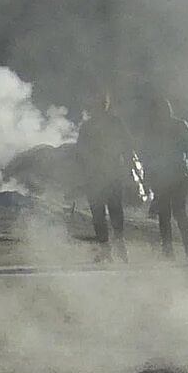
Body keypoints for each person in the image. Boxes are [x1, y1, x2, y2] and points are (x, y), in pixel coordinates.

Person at [79, 91, 136, 263]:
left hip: (112, 174)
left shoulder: (116, 123)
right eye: (99, 102)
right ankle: (105, 248)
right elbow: (80, 152)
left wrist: (129, 167)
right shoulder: (87, 127)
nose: (102, 105)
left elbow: (127, 146)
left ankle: (119, 245)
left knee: (115, 210)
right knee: (98, 213)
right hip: (94, 175)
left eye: (104, 102)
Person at [140, 98, 188, 260]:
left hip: (178, 175)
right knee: (166, 213)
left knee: (178, 212)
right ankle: (170, 249)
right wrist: (147, 176)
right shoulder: (154, 129)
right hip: (164, 176)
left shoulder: (178, 126)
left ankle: (186, 247)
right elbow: (146, 154)